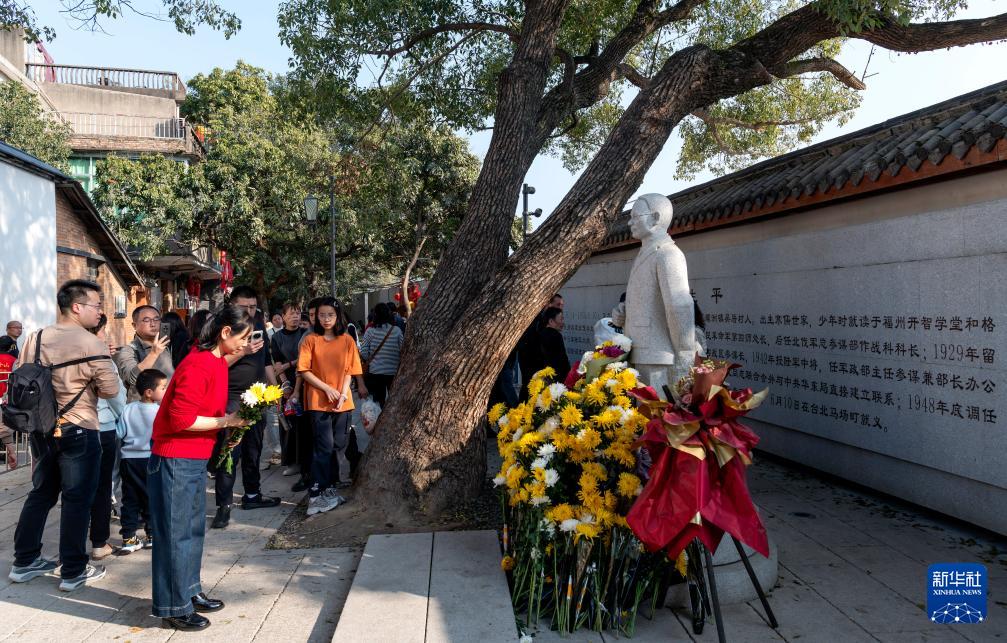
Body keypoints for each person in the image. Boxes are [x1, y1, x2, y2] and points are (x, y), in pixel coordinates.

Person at [8, 280, 120, 592]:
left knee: (41, 492)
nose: (100, 311)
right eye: (96, 305)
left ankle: (24, 561)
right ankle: (73, 570)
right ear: (77, 307)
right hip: (79, 427)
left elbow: (22, 374)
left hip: (42, 428)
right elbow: (110, 389)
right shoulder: (92, 343)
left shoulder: (35, 337)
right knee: (77, 499)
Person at [148, 304, 250, 630]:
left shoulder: (216, 360)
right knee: (175, 534)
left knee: (192, 530)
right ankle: (173, 606)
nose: (245, 343)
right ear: (225, 332)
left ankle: (189, 590)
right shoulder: (198, 364)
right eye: (243, 337)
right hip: (175, 458)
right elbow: (181, 419)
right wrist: (227, 421)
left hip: (193, 458)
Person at [210, 287, 281, 530]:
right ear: (232, 304)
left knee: (254, 450)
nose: (250, 311)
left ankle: (252, 495)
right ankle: (224, 505)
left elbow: (267, 360)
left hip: (258, 394)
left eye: (253, 307)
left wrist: (275, 388)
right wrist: (243, 352)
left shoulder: (258, 323)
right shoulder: (221, 327)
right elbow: (213, 363)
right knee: (229, 453)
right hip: (230, 397)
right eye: (244, 307)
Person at [297, 298, 368, 516]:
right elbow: (304, 370)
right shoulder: (311, 340)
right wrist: (327, 389)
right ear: (315, 317)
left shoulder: (347, 340)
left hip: (342, 401)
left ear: (338, 316)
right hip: (318, 401)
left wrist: (343, 392)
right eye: (322, 315)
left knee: (339, 445)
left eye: (330, 315)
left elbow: (350, 370)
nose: (326, 319)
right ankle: (315, 495)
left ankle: (329, 487)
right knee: (324, 447)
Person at [88, 314, 127, 562]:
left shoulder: (61, 353)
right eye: (104, 331)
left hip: (70, 427)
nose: (106, 336)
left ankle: (69, 551)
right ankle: (99, 543)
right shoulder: (101, 359)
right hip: (102, 427)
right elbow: (116, 397)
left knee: (76, 491)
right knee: (102, 487)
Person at [117, 368, 166, 553]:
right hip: (151, 460)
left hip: (128, 461)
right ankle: (152, 534)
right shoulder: (160, 411)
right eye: (163, 387)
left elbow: (119, 433)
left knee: (130, 499)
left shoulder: (127, 409)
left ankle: (128, 538)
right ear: (149, 392)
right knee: (151, 497)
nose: (165, 390)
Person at [114, 305, 175, 402]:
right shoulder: (129, 350)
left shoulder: (165, 347)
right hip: (143, 408)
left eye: (156, 319)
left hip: (167, 406)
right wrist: (154, 354)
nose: (153, 324)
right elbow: (132, 379)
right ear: (134, 325)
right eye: (146, 320)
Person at [359, 303, 403, 407]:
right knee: (394, 402)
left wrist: (372, 360)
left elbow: (364, 352)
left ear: (375, 315)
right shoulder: (396, 331)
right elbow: (402, 350)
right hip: (393, 372)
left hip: (375, 372)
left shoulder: (370, 331)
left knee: (378, 402)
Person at [539, 307, 571, 380]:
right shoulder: (556, 336)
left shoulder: (540, 334)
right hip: (557, 377)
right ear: (551, 321)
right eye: (561, 319)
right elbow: (563, 360)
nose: (562, 322)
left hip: (543, 376)